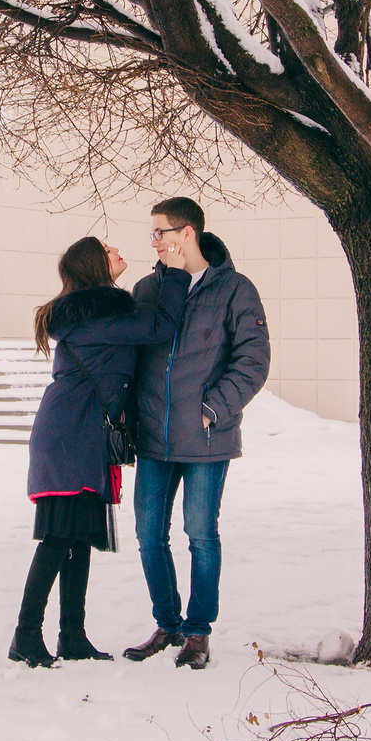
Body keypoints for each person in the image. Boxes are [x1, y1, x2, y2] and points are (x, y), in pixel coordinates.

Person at [12, 236, 191, 668]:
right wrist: (176, 271)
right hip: (70, 434)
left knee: (77, 541)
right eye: (108, 250)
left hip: (80, 432)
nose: (117, 252)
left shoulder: (97, 312)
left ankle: (72, 636)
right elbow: (160, 326)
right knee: (58, 539)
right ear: (96, 265)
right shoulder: (98, 318)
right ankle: (25, 637)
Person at [123, 198, 269, 669]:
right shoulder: (148, 289)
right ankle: (166, 623)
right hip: (153, 439)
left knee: (201, 534)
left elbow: (253, 360)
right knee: (149, 535)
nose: (155, 241)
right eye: (153, 234)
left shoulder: (235, 290)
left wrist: (213, 408)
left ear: (188, 234)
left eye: (161, 232)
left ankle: (197, 633)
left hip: (206, 439)